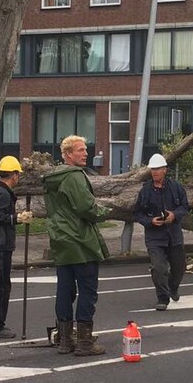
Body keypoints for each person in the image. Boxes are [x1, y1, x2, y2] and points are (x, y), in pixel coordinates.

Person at [42, 135, 109, 356]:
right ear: (68, 154)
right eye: (80, 150)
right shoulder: (74, 177)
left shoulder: (53, 178)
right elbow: (85, 207)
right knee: (88, 290)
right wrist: (105, 211)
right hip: (81, 241)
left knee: (64, 290)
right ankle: (84, 342)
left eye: (85, 149)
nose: (86, 153)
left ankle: (64, 339)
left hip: (61, 240)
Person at [0, 156, 29, 339]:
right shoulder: (2, 193)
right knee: (0, 286)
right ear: (15, 175)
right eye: (18, 175)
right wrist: (16, 218)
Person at [134, 153, 189, 311]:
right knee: (159, 268)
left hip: (174, 235)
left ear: (165, 169)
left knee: (179, 267)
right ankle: (162, 298)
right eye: (152, 169)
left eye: (158, 169)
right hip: (154, 237)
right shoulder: (145, 191)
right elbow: (137, 213)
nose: (155, 172)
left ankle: (173, 287)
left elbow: (184, 206)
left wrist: (174, 215)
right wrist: (150, 221)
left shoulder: (176, 187)